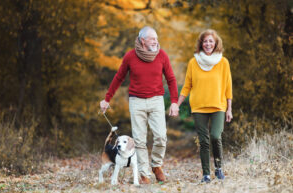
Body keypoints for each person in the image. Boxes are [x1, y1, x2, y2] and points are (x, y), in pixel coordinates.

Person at [100, 26, 179, 184]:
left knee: (161, 137)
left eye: (156, 38)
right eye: (152, 39)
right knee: (139, 140)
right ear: (143, 40)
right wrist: (107, 99)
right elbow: (119, 77)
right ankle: (143, 174)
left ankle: (156, 165)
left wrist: (174, 102)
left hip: (156, 100)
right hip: (136, 102)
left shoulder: (161, 55)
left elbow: (171, 79)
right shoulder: (130, 56)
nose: (156, 41)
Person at [177, 29, 233, 183]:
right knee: (204, 141)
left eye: (211, 41)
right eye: (205, 41)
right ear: (201, 43)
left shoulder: (223, 62)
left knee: (216, 136)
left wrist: (229, 109)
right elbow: (187, 86)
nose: (208, 44)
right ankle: (206, 174)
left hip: (218, 106)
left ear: (216, 43)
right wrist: (177, 103)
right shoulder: (193, 62)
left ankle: (219, 168)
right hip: (199, 107)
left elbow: (228, 87)